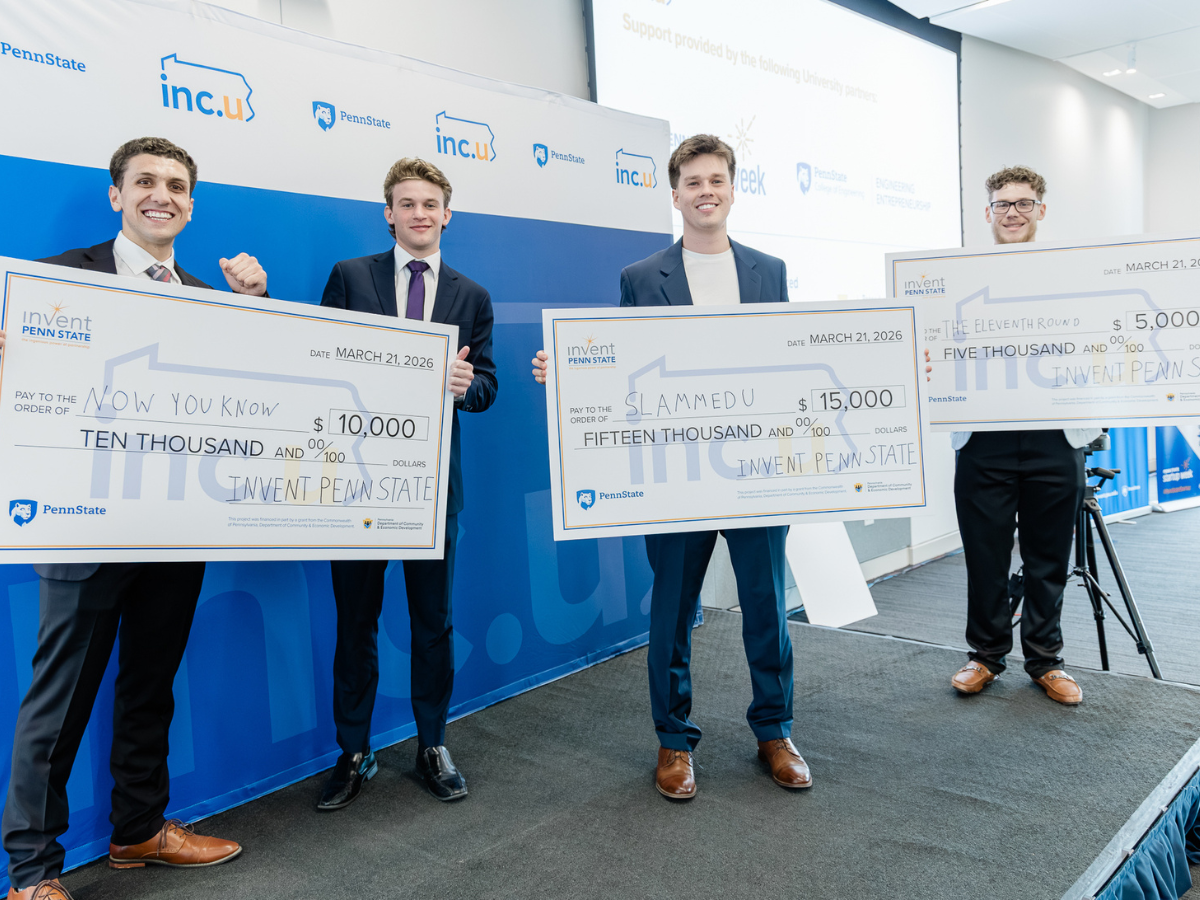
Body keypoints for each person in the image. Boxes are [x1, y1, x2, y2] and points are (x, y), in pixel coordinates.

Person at [0, 136, 267, 900]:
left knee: (151, 684)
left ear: (191, 202)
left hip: (176, 522)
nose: (163, 195)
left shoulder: (208, 297)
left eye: (177, 185)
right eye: (145, 181)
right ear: (116, 195)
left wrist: (252, 313)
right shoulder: (49, 282)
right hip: (82, 526)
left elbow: (252, 395)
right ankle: (31, 873)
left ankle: (138, 829)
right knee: (61, 698)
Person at [533, 134, 810, 799]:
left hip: (753, 473)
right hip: (674, 474)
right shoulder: (640, 277)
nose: (705, 191)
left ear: (733, 189)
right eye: (693, 181)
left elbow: (790, 360)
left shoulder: (769, 271)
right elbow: (627, 369)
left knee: (767, 607)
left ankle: (774, 729)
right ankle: (673, 741)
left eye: (717, 179)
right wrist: (568, 373)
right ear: (676, 192)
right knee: (673, 613)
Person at [316, 158, 497, 810]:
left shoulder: (470, 297)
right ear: (388, 213)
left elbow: (488, 387)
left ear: (447, 214)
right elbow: (320, 361)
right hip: (357, 486)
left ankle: (431, 744)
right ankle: (354, 751)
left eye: (430, 203)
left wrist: (464, 387)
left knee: (433, 623)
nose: (419, 213)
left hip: (431, 492)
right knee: (356, 622)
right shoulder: (349, 277)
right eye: (406, 203)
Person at [935, 166, 1098, 705]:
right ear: (988, 212)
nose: (1012, 212)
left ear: (1040, 211)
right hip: (985, 437)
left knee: (1049, 556)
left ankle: (1046, 660)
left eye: (1024, 203)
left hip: (1055, 434)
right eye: (1003, 203)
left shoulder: (1073, 274)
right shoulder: (957, 275)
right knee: (985, 555)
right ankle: (984, 656)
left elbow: (1097, 338)